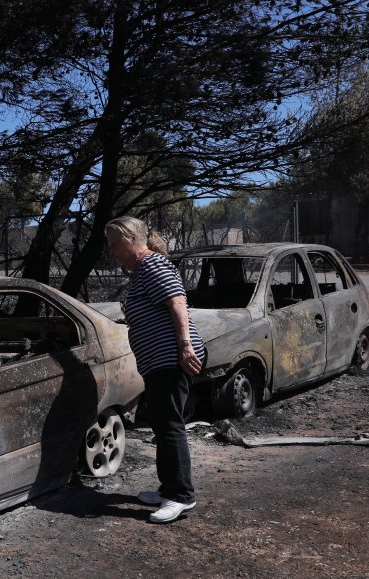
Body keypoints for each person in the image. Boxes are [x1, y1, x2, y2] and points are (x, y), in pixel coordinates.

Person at [105, 216, 206, 523]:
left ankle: (181, 496)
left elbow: (177, 302)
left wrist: (185, 346)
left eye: (114, 244)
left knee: (170, 425)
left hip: (171, 359)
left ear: (132, 239)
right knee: (163, 425)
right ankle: (169, 488)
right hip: (158, 361)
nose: (111, 251)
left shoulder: (152, 264)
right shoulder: (141, 271)